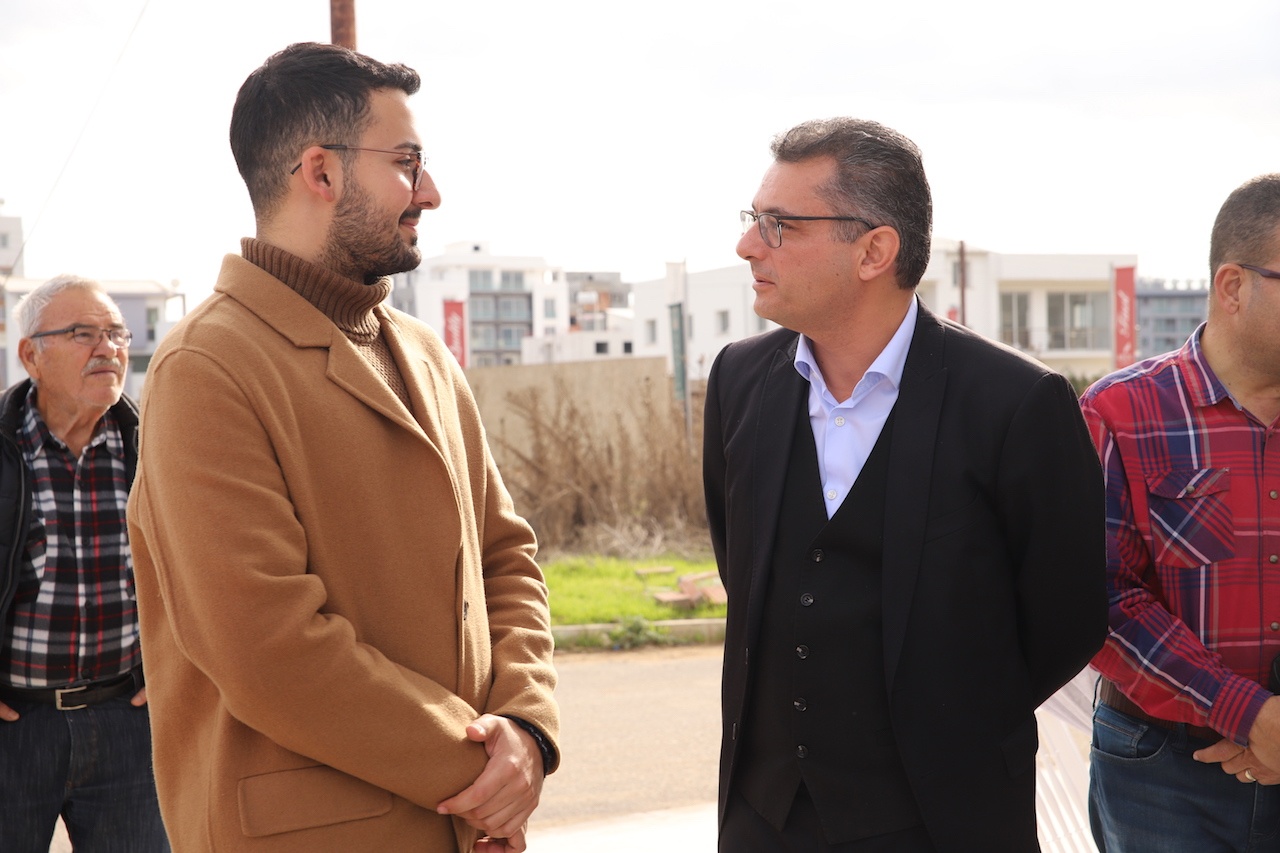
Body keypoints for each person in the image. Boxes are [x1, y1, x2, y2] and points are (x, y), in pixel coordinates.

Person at [126, 42, 558, 853]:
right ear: (320, 172)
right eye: (406, 163)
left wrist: (528, 728)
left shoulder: (423, 352)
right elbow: (268, 649)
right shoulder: (206, 366)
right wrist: (482, 774)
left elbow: (506, 557)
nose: (430, 191)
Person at [702, 117, 1108, 852]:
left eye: (778, 225)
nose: (747, 245)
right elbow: (743, 565)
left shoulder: (1016, 403)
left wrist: (955, 721)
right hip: (765, 818)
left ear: (874, 251)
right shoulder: (738, 379)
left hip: (945, 820)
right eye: (753, 219)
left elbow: (1067, 617)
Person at [1082, 173, 1280, 852]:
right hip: (1160, 775)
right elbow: (1100, 599)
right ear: (1233, 285)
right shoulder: (1120, 411)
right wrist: (1251, 716)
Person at [0, 275, 168, 852]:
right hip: (13, 723)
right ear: (31, 356)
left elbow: (200, 566)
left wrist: (174, 667)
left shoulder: (154, 444)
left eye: (116, 333)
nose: (108, 349)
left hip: (128, 718)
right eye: (82, 334)